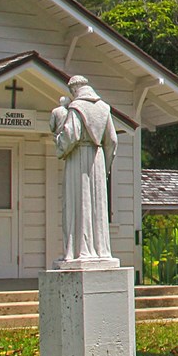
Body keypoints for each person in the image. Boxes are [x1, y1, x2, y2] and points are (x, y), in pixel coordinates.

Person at [52, 76, 118, 267]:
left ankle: (78, 251)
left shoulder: (77, 108)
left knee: (77, 202)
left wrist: (58, 143)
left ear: (75, 89)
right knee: (97, 204)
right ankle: (100, 250)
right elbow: (112, 140)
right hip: (97, 158)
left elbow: (70, 135)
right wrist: (105, 166)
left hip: (78, 158)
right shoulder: (104, 108)